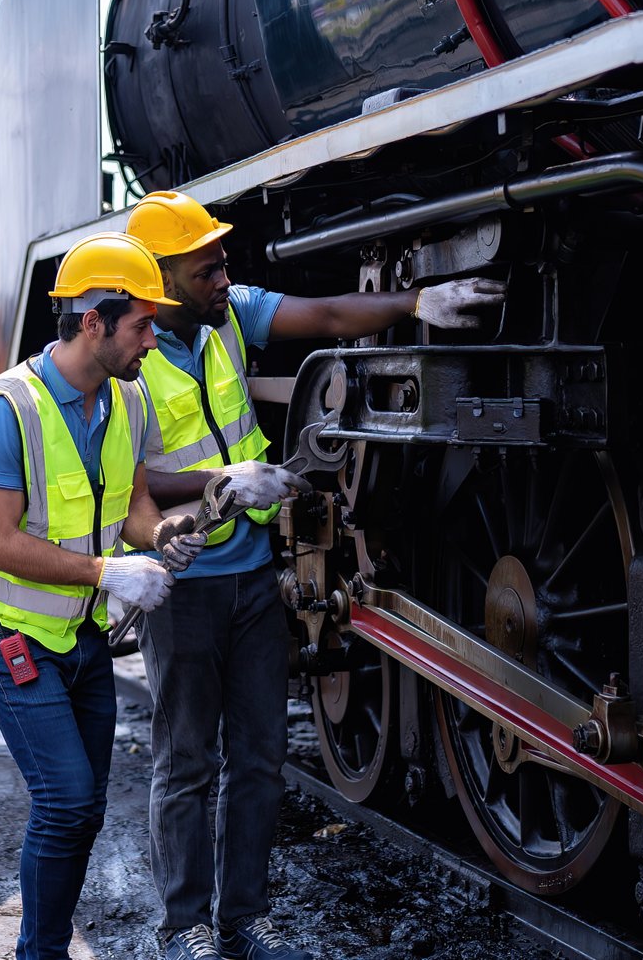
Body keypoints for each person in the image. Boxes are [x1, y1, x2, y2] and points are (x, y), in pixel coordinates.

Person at [126, 190, 506, 960]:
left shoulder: (229, 316)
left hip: (252, 580)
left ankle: (244, 918)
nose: (226, 275)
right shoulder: (127, 361)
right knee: (188, 762)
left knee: (261, 758)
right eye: (209, 267)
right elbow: (126, 483)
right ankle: (185, 927)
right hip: (183, 586)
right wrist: (222, 479)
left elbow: (327, 316)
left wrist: (419, 298)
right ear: (163, 280)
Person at [0, 231, 209, 960]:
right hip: (12, 637)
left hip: (81, 635)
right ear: (92, 320)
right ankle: (40, 953)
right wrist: (108, 572)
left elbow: (130, 508)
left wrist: (160, 536)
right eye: (141, 324)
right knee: (66, 800)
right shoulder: (8, 410)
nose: (153, 341)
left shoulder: (123, 403)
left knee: (85, 807)